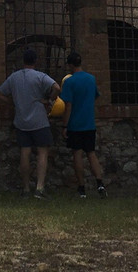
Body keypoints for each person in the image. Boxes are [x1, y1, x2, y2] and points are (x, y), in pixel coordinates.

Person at [0, 48, 60, 198]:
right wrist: (49, 100)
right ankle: (39, 188)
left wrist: (13, 103)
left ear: (23, 61)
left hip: (21, 121)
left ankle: (25, 189)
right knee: (42, 152)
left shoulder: (14, 78)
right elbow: (57, 87)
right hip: (39, 120)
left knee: (24, 153)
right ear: (35, 61)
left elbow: (0, 93)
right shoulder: (40, 76)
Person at [58, 51, 107, 199]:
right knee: (91, 153)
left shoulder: (69, 82)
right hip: (89, 123)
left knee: (77, 154)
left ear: (70, 65)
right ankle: (100, 183)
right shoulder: (91, 79)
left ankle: (81, 188)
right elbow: (96, 96)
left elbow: (68, 106)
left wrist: (64, 126)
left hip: (75, 124)